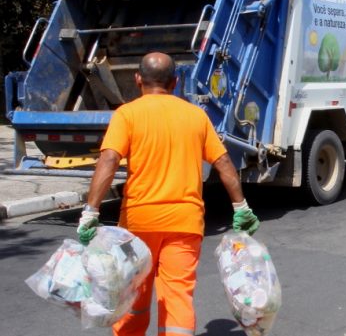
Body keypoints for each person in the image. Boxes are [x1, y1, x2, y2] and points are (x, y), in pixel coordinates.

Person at [76, 52, 260, 336]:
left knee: (133, 293)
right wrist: (241, 207)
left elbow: (109, 160)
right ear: (175, 82)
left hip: (138, 224)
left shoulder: (127, 114)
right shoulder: (196, 116)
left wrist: (91, 212)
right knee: (177, 296)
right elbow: (223, 162)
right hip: (185, 223)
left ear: (137, 79)